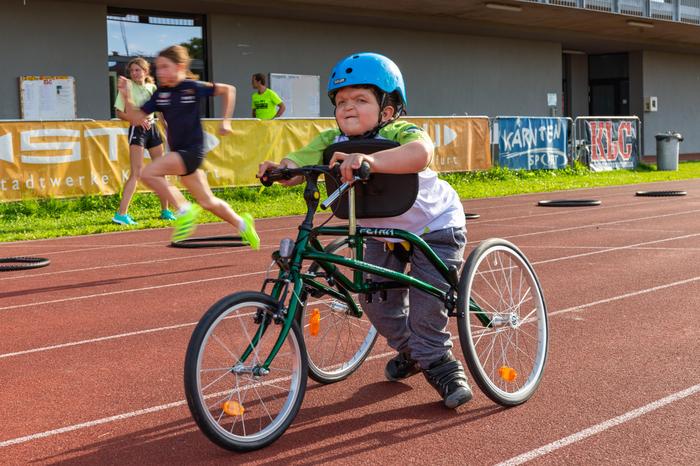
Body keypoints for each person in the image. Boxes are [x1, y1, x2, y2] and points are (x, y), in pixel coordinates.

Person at [257, 52, 471, 408]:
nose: (348, 108)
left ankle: (441, 365)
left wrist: (372, 160)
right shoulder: (332, 140)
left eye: (361, 99)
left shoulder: (399, 131)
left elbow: (421, 153)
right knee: (376, 307)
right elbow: (298, 163)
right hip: (382, 234)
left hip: (434, 228)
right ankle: (412, 351)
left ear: (387, 109)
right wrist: (280, 169)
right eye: (341, 101)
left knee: (426, 307)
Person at [117, 45, 259, 249]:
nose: (160, 72)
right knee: (208, 202)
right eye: (158, 68)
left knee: (148, 173)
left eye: (165, 67)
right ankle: (243, 224)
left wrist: (226, 121)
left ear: (180, 67)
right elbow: (136, 118)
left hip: (192, 151)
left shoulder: (191, 87)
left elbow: (229, 90)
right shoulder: (161, 95)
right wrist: (126, 95)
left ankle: (183, 209)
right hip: (180, 154)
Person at [113, 57, 176, 225]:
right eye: (132, 70)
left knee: (161, 171)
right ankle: (121, 214)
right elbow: (119, 112)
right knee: (137, 173)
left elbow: (160, 110)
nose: (134, 73)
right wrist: (135, 120)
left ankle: (165, 211)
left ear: (145, 72)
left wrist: (165, 123)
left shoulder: (152, 87)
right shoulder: (127, 87)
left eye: (137, 70)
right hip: (138, 130)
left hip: (153, 130)